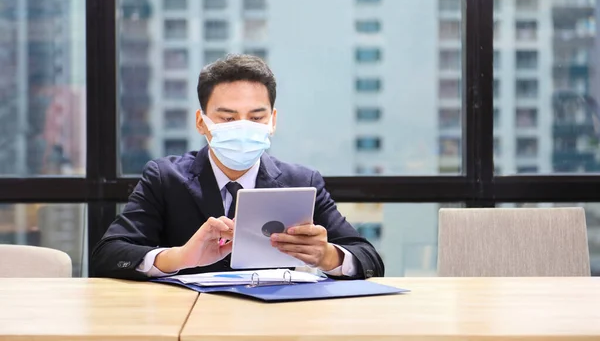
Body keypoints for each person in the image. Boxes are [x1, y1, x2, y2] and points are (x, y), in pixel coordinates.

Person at [91, 54, 385, 280]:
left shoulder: (300, 181)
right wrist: (180, 257)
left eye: (256, 117)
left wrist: (328, 256)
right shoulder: (165, 178)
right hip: (191, 321)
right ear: (201, 122)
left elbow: (369, 258)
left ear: (273, 121)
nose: (243, 127)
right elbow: (108, 254)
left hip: (275, 323)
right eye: (228, 119)